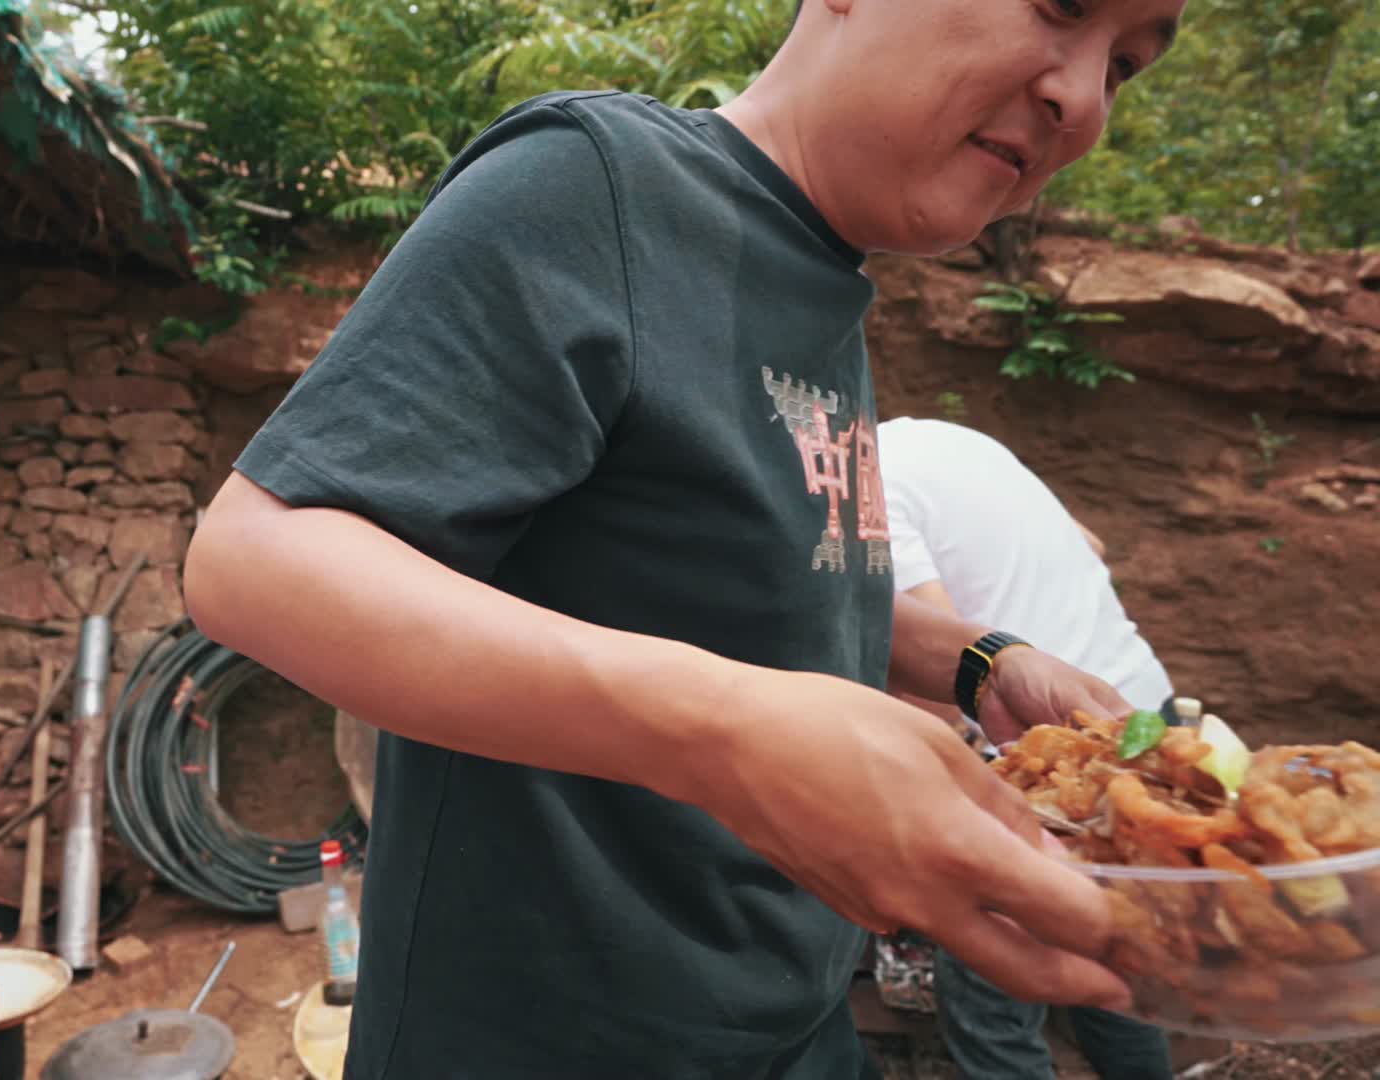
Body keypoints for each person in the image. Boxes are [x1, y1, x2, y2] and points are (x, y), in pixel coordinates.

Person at [183, 0, 1187, 1074]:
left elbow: (761, 587)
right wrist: (727, 736)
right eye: (1061, 9)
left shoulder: (824, 282)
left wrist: (983, 663)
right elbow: (255, 559)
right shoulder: (597, 187)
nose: (1082, 100)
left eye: (1124, 66)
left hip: (794, 1031)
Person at [878, 416, 1178, 1080]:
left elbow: (936, 681)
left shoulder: (865, 483)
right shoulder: (950, 439)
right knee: (1115, 950)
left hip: (1061, 745)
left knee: (987, 991)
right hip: (1142, 710)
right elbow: (1090, 545)